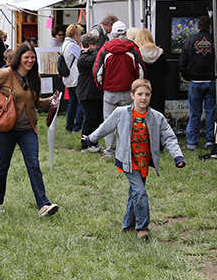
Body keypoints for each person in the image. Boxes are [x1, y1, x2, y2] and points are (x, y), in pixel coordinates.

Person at [82, 79, 185, 240]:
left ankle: (127, 225)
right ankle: (142, 228)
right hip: (127, 161)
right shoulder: (121, 113)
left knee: (134, 193)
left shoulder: (157, 117)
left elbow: (169, 137)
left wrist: (177, 156)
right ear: (132, 95)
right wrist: (90, 139)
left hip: (144, 161)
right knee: (140, 193)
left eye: (147, 94)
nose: (143, 98)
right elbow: (105, 127)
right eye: (140, 94)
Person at [0, 42, 58, 217]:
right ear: (19, 58)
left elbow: (35, 103)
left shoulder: (34, 77)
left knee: (34, 165)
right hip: (6, 128)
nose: (30, 60)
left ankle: (43, 205)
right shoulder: (5, 74)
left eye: (32, 57)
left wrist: (50, 100)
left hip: (27, 128)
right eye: (26, 57)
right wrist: (3, 100)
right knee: (3, 165)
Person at [93, 21, 146, 157]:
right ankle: (125, 151)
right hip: (128, 92)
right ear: (125, 33)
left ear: (112, 33)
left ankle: (109, 151)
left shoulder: (105, 49)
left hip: (110, 91)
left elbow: (97, 72)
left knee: (108, 122)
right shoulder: (133, 48)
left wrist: (102, 87)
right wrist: (137, 90)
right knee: (127, 122)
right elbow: (141, 71)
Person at [179, 15, 216, 151]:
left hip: (195, 82)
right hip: (211, 81)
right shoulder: (215, 40)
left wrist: (187, 76)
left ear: (197, 27)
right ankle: (210, 141)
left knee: (195, 113)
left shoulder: (190, 40)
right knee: (211, 113)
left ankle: (192, 143)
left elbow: (182, 62)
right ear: (210, 27)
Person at [76, 33, 103, 152]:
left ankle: (93, 142)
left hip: (93, 93)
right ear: (90, 45)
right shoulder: (83, 57)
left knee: (96, 120)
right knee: (89, 120)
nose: (98, 47)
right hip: (87, 93)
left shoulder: (87, 56)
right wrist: (93, 51)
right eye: (96, 45)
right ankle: (85, 145)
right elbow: (97, 58)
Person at [134, 28, 170, 114]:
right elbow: (167, 69)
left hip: (142, 86)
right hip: (158, 86)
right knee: (158, 112)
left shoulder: (137, 53)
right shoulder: (159, 52)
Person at [61, 24, 83, 133]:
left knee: (72, 102)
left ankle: (69, 126)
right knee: (80, 102)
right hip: (75, 77)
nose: (79, 36)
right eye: (79, 34)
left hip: (68, 78)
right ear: (75, 35)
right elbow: (81, 57)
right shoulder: (73, 45)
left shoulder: (64, 44)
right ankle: (77, 126)